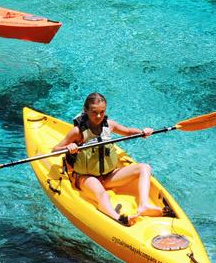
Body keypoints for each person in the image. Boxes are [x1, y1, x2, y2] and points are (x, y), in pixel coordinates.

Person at [51, 93, 160, 225]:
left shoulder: (110, 125)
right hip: (86, 178)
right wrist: (69, 146)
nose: (98, 116)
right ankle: (118, 218)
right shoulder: (77, 132)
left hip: (108, 176)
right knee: (102, 194)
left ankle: (144, 205)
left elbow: (128, 132)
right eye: (94, 112)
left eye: (102, 112)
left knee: (145, 167)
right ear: (86, 111)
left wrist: (143, 132)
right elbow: (54, 151)